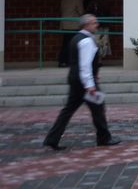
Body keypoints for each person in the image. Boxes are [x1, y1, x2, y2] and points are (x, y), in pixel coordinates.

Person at [43, 14, 121, 150]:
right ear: (86, 25)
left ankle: (52, 139)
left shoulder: (76, 38)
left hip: (76, 79)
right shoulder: (86, 41)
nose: (97, 25)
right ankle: (104, 138)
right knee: (98, 108)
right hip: (84, 83)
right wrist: (90, 84)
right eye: (94, 23)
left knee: (68, 110)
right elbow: (85, 65)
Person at [58, 0, 84, 67]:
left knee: (65, 43)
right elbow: (81, 12)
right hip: (74, 25)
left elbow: (61, 10)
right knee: (74, 43)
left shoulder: (63, 0)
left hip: (64, 24)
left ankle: (62, 61)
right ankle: (71, 61)